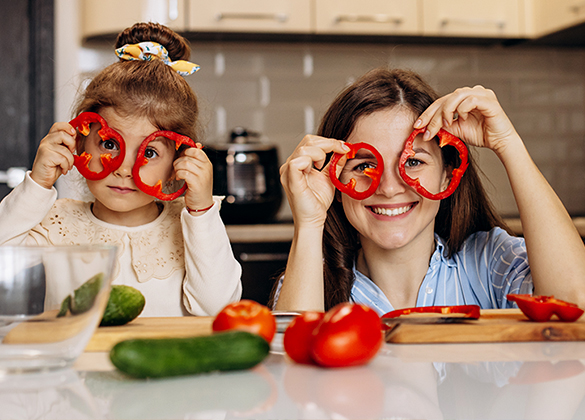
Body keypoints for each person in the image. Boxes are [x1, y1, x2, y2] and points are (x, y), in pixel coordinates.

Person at [273, 68, 585, 314]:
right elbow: (291, 376)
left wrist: (507, 143)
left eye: (413, 161)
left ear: (447, 174)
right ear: (335, 182)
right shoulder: (311, 280)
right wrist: (310, 223)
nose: (390, 187)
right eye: (364, 166)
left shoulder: (489, 263)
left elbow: (576, 303)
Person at [0, 22, 242, 317]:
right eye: (110, 145)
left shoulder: (191, 225)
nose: (125, 169)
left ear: (178, 162)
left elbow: (217, 308)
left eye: (150, 152)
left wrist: (202, 212)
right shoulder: (55, 222)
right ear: (80, 141)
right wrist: (37, 185)